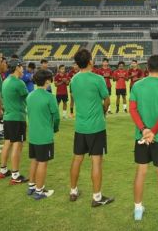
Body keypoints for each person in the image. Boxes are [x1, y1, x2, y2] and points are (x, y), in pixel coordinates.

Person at [128, 55, 158, 224]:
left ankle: (138, 210)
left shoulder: (137, 85)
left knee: (141, 172)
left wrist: (144, 130)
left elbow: (132, 110)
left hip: (141, 136)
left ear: (146, 67)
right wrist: (152, 131)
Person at [69, 49, 114, 207]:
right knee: (96, 161)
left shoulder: (74, 79)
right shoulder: (98, 79)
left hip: (80, 126)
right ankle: (96, 197)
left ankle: (73, 191)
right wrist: (102, 112)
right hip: (96, 127)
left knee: (77, 158)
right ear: (89, 61)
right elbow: (107, 101)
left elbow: (75, 97)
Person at [26, 69, 60, 200]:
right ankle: (39, 191)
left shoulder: (30, 95)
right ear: (47, 81)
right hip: (44, 136)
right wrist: (55, 128)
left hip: (33, 135)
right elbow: (56, 117)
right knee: (43, 162)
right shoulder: (49, 97)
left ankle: (32, 185)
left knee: (34, 160)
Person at [0, 58, 30, 184]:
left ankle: (3, 170)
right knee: (17, 145)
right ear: (17, 67)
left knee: (7, 143)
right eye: (22, 66)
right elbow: (27, 98)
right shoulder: (19, 83)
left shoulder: (6, 81)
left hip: (8, 117)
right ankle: (15, 175)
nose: (23, 69)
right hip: (17, 118)